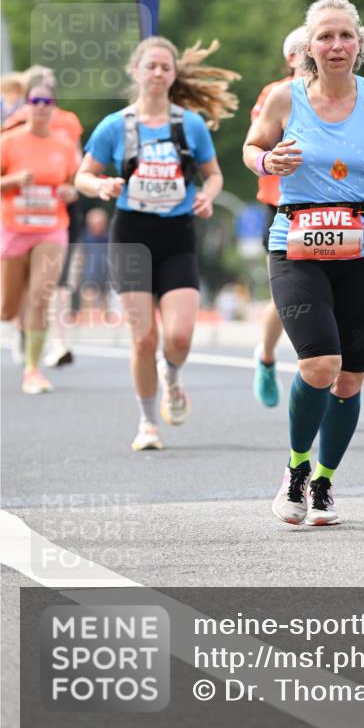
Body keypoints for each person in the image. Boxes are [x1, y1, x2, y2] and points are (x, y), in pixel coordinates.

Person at [243, 0, 364, 526]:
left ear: (359, 45)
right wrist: (267, 158)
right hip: (296, 245)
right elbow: (251, 147)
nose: (336, 45)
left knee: (349, 381)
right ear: (308, 46)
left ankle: (325, 481)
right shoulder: (284, 98)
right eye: (325, 36)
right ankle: (296, 471)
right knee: (319, 365)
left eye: (345, 36)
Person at [75, 36, 238, 451]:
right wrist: (103, 185)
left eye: (166, 67)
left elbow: (213, 174)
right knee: (143, 338)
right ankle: (148, 423)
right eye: (152, 66)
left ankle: (172, 376)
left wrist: (208, 196)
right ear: (137, 72)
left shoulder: (189, 124)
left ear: (173, 74)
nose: (159, 73)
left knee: (179, 338)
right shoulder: (117, 125)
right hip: (131, 235)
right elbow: (82, 176)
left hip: (177, 234)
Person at [0, 77, 79, 392]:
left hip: (51, 228)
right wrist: (15, 179)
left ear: (54, 107)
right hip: (14, 228)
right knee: (7, 308)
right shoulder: (9, 141)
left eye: (48, 102)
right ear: (26, 106)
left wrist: (70, 191)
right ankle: (19, 328)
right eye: (36, 102)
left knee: (40, 297)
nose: (42, 108)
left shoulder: (64, 146)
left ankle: (32, 370)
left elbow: (76, 181)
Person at [249, 26, 307, 407]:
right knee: (289, 299)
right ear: (291, 58)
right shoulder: (276, 95)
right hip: (284, 207)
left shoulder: (346, 93)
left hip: (334, 209)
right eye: (305, 50)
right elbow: (259, 143)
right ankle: (266, 357)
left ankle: (324, 383)